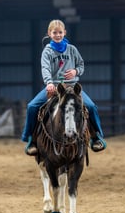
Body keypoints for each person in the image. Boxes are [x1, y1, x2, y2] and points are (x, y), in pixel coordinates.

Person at [21, 19, 106, 156]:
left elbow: (81, 65)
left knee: (90, 107)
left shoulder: (72, 49)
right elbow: (45, 68)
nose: (58, 35)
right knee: (32, 107)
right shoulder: (47, 52)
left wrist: (75, 72)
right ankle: (30, 139)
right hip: (54, 87)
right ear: (49, 33)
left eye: (60, 32)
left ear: (64, 32)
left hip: (72, 87)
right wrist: (49, 83)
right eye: (55, 32)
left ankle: (96, 137)